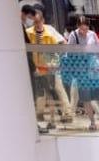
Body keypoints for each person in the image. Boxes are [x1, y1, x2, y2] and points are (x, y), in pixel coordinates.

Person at [22, 3, 66, 131]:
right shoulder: (29, 32)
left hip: (49, 65)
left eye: (38, 20)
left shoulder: (49, 29)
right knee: (43, 93)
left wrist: (55, 59)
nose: (36, 23)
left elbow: (62, 42)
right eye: (34, 20)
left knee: (55, 90)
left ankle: (64, 114)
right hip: (37, 66)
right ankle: (43, 117)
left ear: (43, 19)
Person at [59, 11, 99, 131]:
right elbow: (69, 53)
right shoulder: (73, 35)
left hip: (93, 69)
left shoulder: (92, 34)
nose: (84, 31)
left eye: (86, 28)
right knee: (86, 98)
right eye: (82, 29)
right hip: (81, 71)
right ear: (78, 26)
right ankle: (92, 122)